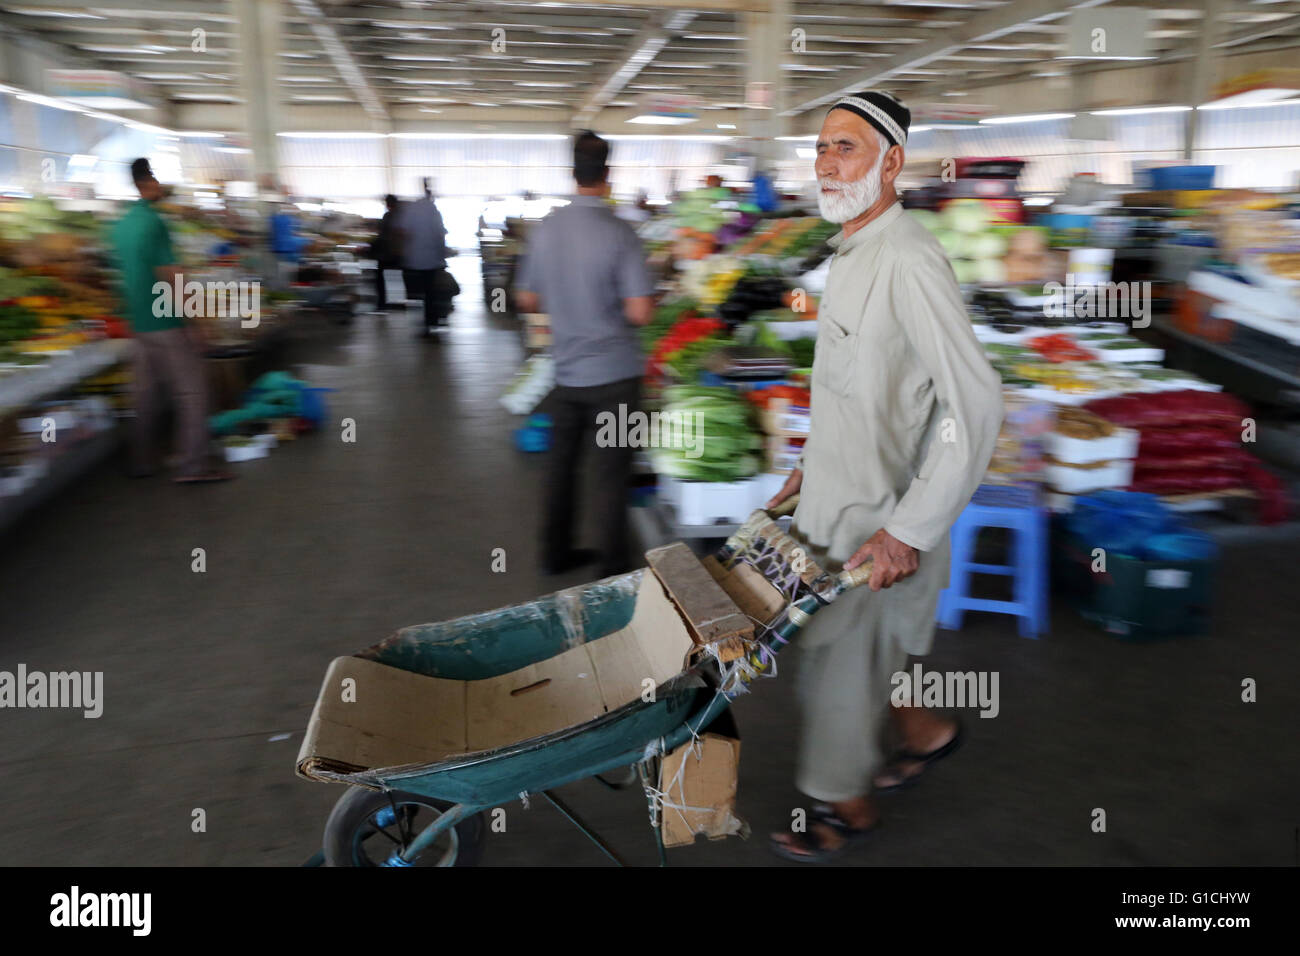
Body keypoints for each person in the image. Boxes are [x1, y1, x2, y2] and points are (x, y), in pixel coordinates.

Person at [763, 90, 1002, 862]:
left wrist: (908, 530)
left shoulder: (908, 258)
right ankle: (927, 733)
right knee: (861, 656)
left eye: (847, 147)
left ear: (891, 162)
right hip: (833, 500)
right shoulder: (854, 248)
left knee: (834, 666)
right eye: (822, 147)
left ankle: (844, 806)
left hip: (875, 523)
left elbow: (975, 400)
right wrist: (809, 465)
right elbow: (857, 387)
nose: (827, 163)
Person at [515, 131, 655, 578]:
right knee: (611, 475)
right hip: (616, 378)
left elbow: (526, 299)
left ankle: (554, 555)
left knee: (561, 468)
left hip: (566, 374)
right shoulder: (621, 233)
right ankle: (612, 571)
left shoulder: (547, 228)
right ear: (608, 174)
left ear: (572, 172)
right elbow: (640, 312)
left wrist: (566, 299)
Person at [110, 158, 230, 484]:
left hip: (138, 323)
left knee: (145, 394)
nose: (160, 185)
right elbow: (172, 277)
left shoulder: (121, 224)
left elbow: (122, 275)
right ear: (148, 182)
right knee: (193, 393)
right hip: (165, 321)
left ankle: (141, 461)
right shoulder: (155, 223)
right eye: (156, 179)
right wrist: (197, 321)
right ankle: (193, 465)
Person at [398, 178, 454, 336]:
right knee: (431, 291)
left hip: (414, 259)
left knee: (421, 291)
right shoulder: (435, 212)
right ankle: (432, 320)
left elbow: (403, 232)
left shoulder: (410, 211)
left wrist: (407, 250)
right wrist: (443, 254)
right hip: (432, 259)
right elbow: (440, 234)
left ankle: (427, 319)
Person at [370, 194, 403, 311]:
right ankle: (398, 302)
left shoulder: (389, 216)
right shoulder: (401, 216)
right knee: (396, 278)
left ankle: (382, 303)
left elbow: (382, 234)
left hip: (387, 253)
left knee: (381, 279)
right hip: (397, 252)